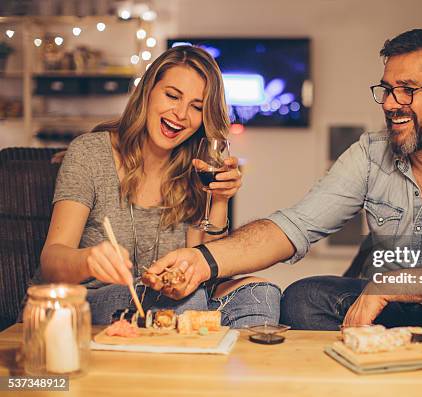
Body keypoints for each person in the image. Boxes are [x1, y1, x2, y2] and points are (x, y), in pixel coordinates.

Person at [147, 29, 422, 331]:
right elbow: (295, 226)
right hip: (389, 306)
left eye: (408, 90)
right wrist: (203, 260)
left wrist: (391, 285)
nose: (390, 103)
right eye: (386, 89)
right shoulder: (369, 152)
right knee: (301, 298)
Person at [38, 45, 281, 327]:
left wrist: (219, 200)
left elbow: (208, 270)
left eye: (196, 107)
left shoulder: (196, 167)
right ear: (148, 92)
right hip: (83, 303)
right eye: (172, 96)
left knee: (261, 294)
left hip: (167, 300)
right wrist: (88, 260)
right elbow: (51, 262)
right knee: (187, 303)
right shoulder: (90, 153)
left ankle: (205, 361)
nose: (180, 114)